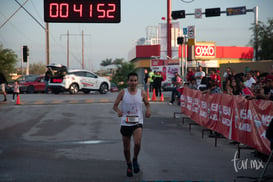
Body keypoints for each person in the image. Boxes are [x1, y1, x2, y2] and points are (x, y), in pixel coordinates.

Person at [112, 72, 151, 177]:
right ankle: (129, 164)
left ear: (137, 82)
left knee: (137, 143)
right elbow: (115, 106)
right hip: (126, 122)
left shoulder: (142, 93)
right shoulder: (123, 92)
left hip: (138, 122)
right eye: (131, 80)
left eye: (135, 80)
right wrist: (118, 111)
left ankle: (135, 159)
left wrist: (148, 110)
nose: (133, 83)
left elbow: (147, 104)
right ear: (128, 81)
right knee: (126, 148)